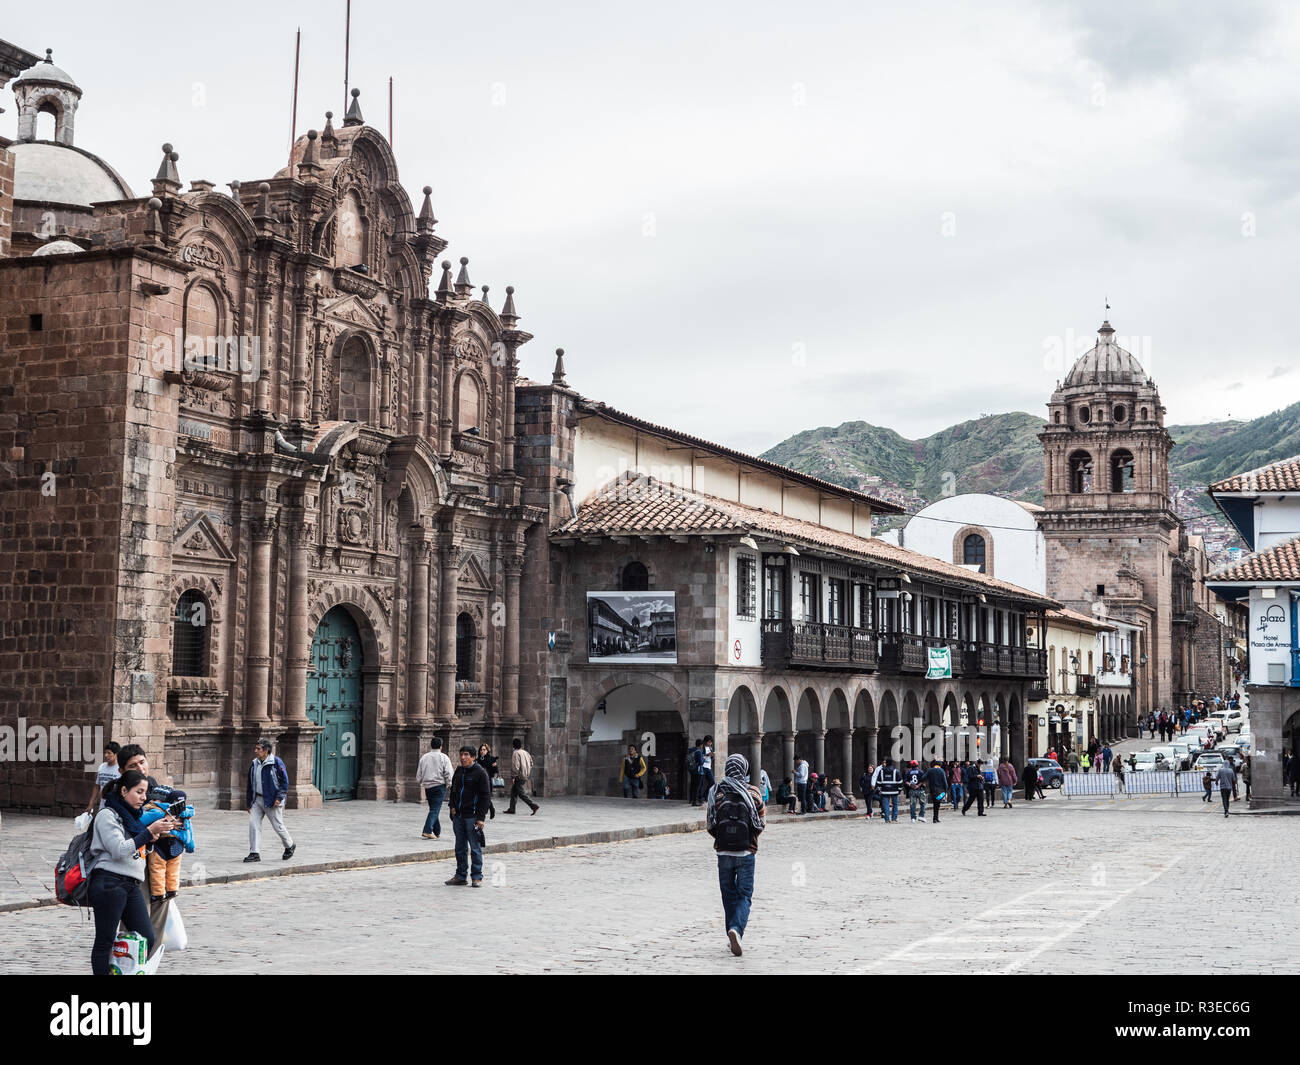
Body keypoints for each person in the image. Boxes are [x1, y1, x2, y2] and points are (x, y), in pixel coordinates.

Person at [87, 770, 179, 975]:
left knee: (146, 937)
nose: (144, 798)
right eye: (139, 792)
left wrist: (155, 835)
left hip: (130, 884)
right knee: (105, 940)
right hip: (109, 882)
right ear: (124, 790)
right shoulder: (107, 815)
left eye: (145, 793)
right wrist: (148, 832)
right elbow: (118, 849)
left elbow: (135, 848)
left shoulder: (131, 817)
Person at [706, 753, 765, 957]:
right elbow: (761, 824)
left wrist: (723, 839)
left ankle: (732, 931)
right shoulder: (754, 793)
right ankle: (736, 930)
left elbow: (711, 824)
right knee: (744, 895)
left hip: (723, 852)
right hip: (746, 851)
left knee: (728, 894)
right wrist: (748, 839)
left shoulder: (716, 792)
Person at [447, 746, 491, 886]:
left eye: (466, 755)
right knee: (460, 847)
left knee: (475, 847)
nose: (463, 757)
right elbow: (453, 790)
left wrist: (481, 818)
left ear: (473, 757)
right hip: (458, 816)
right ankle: (460, 875)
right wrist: (452, 807)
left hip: (472, 816)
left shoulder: (480, 773)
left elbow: (485, 797)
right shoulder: (459, 771)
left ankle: (476, 876)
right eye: (461, 755)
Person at [245, 739, 294, 863]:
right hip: (257, 799)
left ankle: (290, 845)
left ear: (266, 751)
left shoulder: (276, 762)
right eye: (255, 748)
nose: (255, 751)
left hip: (272, 800)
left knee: (278, 826)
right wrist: (248, 802)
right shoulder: (255, 763)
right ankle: (254, 852)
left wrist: (279, 798)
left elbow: (284, 782)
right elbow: (250, 784)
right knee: (253, 825)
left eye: (258, 749)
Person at [416, 736, 454, 839]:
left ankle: (437, 831)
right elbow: (448, 772)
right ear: (441, 747)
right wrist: (450, 784)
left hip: (428, 787)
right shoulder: (444, 757)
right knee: (435, 809)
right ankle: (427, 830)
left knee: (433, 808)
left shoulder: (424, 757)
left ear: (431, 746)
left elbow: (419, 772)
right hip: (439, 786)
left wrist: (419, 781)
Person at [505, 737, 540, 815]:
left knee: (521, 794)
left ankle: (533, 805)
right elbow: (531, 763)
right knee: (514, 791)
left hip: (519, 776)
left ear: (513, 746)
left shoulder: (516, 753)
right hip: (525, 775)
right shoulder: (525, 752)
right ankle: (512, 809)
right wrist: (527, 771)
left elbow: (515, 766)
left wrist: (513, 776)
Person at [85, 741, 121, 814]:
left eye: (109, 753)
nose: (106, 755)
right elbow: (97, 786)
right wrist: (91, 804)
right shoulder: (102, 767)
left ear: (116, 754)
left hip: (115, 806)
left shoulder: (120, 769)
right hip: (102, 805)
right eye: (105, 753)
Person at [874, 758, 902, 823]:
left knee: (886, 805)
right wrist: (899, 790)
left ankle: (887, 819)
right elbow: (900, 782)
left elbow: (878, 782)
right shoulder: (896, 771)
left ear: (886, 763)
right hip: (894, 791)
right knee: (895, 804)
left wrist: (879, 790)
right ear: (892, 763)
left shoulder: (881, 771)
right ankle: (894, 818)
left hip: (884, 791)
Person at [476, 743, 499, 819]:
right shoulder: (477, 760)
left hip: (487, 780)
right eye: (481, 750)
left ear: (487, 750)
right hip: (478, 781)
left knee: (486, 796)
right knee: (481, 796)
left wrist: (494, 766)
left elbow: (495, 770)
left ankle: (491, 809)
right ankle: (488, 810)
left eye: (484, 750)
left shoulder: (491, 759)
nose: (482, 751)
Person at [926, 759, 948, 824]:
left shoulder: (930, 770)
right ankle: (935, 818)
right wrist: (946, 789)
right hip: (940, 791)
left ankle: (935, 818)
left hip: (932, 790)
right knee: (937, 804)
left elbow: (923, 777)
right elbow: (944, 781)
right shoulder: (941, 771)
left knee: (935, 804)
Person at [698, 736, 716, 804]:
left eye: (711, 742)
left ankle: (705, 796)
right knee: (701, 783)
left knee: (712, 782)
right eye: (709, 742)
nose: (710, 743)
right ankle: (700, 798)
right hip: (703, 767)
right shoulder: (702, 748)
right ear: (706, 742)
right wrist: (708, 754)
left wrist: (712, 756)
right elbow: (700, 756)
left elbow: (710, 758)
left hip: (709, 767)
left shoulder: (710, 748)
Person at [688, 739, 705, 806]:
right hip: (698, 771)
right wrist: (704, 758)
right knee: (696, 787)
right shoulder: (699, 751)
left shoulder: (691, 750)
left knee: (692, 785)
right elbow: (701, 762)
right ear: (701, 745)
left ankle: (691, 800)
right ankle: (695, 802)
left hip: (692, 770)